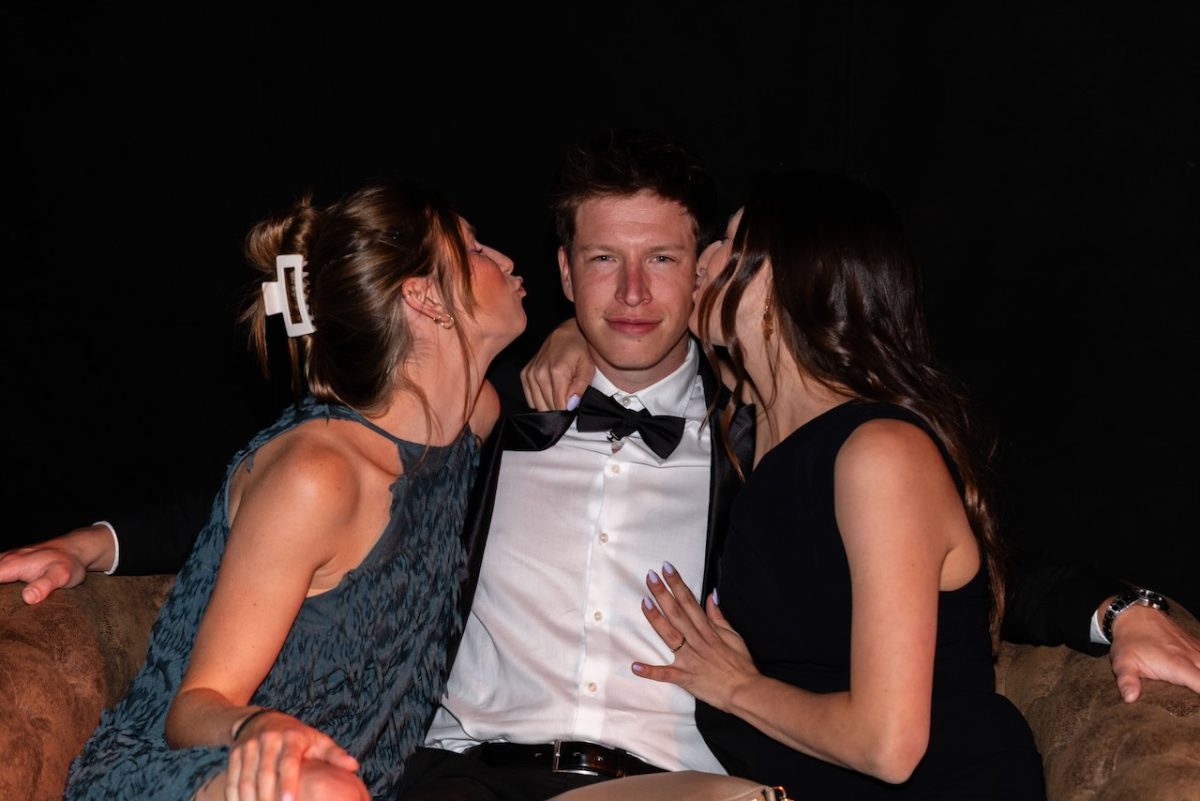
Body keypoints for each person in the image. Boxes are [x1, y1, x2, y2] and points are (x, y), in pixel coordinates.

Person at [3, 130, 1199, 800]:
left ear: (712, 274)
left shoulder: (770, 445)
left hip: (666, 784)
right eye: (601, 263)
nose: (631, 295)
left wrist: (1116, 609)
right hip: (456, 778)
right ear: (562, 272)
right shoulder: (489, 418)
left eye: (664, 260)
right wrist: (96, 542)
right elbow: (285, 489)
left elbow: (948, 571)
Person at [60, 178, 527, 801]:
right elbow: (193, 709)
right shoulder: (318, 474)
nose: (506, 260)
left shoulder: (472, 417)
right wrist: (260, 728)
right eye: (474, 250)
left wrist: (578, 339)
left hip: (354, 782)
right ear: (424, 296)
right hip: (194, 771)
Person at [633, 170, 1044, 797]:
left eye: (732, 242)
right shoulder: (752, 439)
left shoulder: (879, 453)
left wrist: (736, 687)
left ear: (791, 276)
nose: (705, 257)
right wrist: (573, 336)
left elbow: (888, 744)